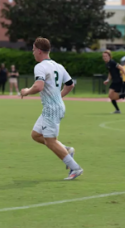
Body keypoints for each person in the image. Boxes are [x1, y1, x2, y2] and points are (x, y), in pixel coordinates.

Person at [20, 37, 83, 180]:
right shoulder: (58, 66)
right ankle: (66, 150)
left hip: (51, 109)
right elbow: (70, 84)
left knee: (50, 141)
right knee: (36, 135)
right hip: (56, 106)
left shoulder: (40, 66)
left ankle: (75, 168)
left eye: (33, 50)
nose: (32, 53)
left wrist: (26, 92)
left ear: (40, 51)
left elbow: (38, 86)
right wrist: (58, 97)